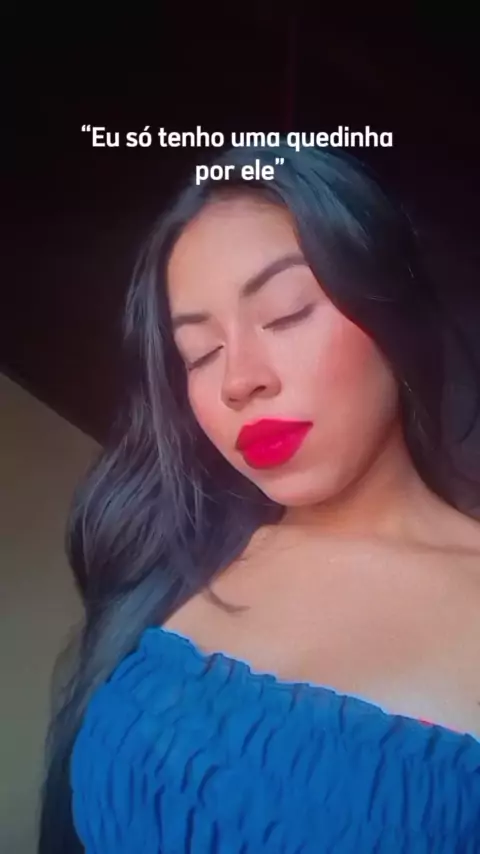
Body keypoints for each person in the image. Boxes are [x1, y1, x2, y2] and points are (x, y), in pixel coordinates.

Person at [39, 143, 480, 853]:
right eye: (200, 353)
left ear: (391, 310)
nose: (238, 379)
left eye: (284, 313)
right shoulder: (176, 556)